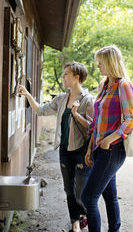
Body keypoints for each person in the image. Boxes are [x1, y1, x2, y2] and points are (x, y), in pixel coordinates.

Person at [18, 62, 94, 232]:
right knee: (68, 189)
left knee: (80, 191)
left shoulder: (88, 100)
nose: (63, 77)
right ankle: (75, 224)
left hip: (82, 152)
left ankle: (84, 216)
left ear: (77, 77)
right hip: (64, 151)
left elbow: (92, 127)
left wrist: (75, 114)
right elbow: (41, 110)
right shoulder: (61, 98)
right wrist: (28, 94)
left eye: (67, 74)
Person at [81, 45, 133, 232]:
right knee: (110, 196)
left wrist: (108, 140)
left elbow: (131, 120)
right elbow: (96, 122)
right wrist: (90, 148)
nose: (98, 66)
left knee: (88, 197)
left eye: (100, 62)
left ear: (110, 62)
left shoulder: (124, 86)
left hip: (113, 150)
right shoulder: (104, 86)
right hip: (99, 149)